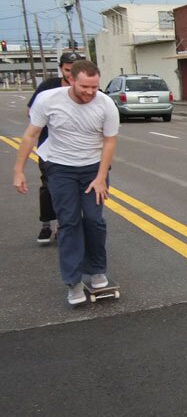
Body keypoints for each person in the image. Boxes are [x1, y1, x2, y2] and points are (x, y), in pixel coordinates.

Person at [13, 60, 120, 305]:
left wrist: (101, 177)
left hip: (92, 167)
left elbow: (110, 142)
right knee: (69, 222)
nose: (90, 92)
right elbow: (31, 135)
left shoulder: (106, 105)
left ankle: (96, 270)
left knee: (94, 219)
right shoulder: (48, 100)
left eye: (95, 87)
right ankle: (72, 282)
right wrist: (18, 170)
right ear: (70, 79)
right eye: (85, 87)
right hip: (60, 167)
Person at [26, 51, 79, 244]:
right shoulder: (48, 87)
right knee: (49, 185)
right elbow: (31, 112)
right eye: (67, 69)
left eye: (75, 69)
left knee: (72, 188)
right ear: (61, 68)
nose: (71, 73)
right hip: (49, 147)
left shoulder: (83, 88)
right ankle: (47, 224)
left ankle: (65, 226)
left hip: (75, 149)